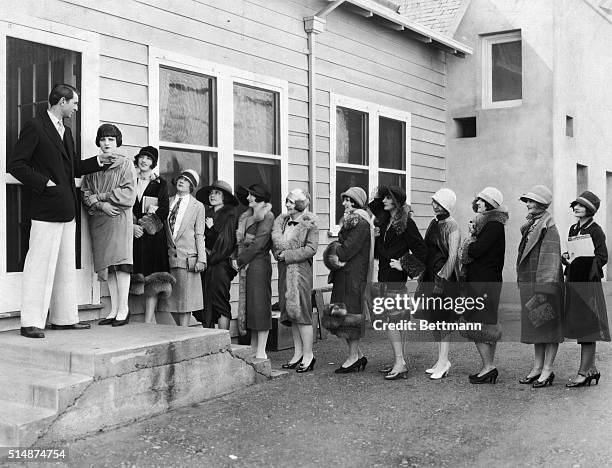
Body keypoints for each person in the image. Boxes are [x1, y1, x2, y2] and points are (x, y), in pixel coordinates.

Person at [9, 84, 115, 338]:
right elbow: (16, 165)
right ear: (62, 101)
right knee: (39, 265)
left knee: (65, 265)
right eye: (74, 103)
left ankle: (64, 319)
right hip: (46, 207)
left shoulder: (66, 131)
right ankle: (31, 322)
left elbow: (73, 168)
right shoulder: (35, 126)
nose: (76, 108)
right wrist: (45, 183)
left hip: (67, 208)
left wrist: (99, 162)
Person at [81, 124, 137, 327]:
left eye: (111, 139)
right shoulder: (92, 165)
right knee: (109, 266)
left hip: (118, 217)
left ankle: (124, 309)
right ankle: (114, 309)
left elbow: (129, 194)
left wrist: (103, 197)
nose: (107, 143)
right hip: (99, 217)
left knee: (121, 264)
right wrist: (99, 204)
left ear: (117, 142)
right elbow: (85, 191)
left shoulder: (125, 164)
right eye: (103, 139)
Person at [369, 186, 427, 380]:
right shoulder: (385, 221)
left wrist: (403, 264)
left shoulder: (406, 223)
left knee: (393, 320)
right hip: (384, 276)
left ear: (396, 201)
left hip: (395, 279)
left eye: (387, 197)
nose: (383, 200)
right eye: (383, 197)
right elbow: (374, 205)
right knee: (395, 320)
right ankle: (399, 360)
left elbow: (421, 250)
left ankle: (400, 362)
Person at [516, 185, 563, 388]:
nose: (527, 204)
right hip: (531, 282)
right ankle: (537, 367)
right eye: (527, 201)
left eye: (531, 201)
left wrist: (543, 289)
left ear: (542, 204)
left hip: (544, 285)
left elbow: (551, 259)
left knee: (548, 328)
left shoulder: (548, 225)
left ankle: (547, 369)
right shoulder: (533, 225)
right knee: (538, 326)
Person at [459, 186, 507, 384]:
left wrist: (469, 241)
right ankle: (488, 366)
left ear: (489, 205)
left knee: (479, 324)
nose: (477, 203)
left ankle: (488, 367)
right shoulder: (489, 225)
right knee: (486, 325)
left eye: (481, 200)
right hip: (486, 281)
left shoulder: (493, 225)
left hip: (483, 283)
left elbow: (477, 250)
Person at [562, 191, 610, 387]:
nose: (576, 208)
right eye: (575, 205)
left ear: (590, 209)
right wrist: (567, 258)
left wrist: (587, 261)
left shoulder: (596, 230)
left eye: (580, 206)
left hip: (588, 285)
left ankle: (584, 373)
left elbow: (602, 257)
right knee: (581, 325)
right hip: (574, 282)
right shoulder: (573, 228)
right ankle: (592, 370)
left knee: (588, 328)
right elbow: (573, 256)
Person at [325, 187, 374, 374]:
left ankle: (353, 357)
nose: (344, 203)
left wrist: (334, 248)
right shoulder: (351, 222)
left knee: (350, 317)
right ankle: (358, 355)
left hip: (352, 278)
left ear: (356, 203)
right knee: (342, 318)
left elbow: (345, 251)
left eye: (348, 200)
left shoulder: (360, 223)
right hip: (344, 276)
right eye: (344, 199)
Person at [271, 188, 319, 373]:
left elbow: (311, 249)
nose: (287, 204)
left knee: (302, 313)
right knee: (292, 313)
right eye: (287, 201)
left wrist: (288, 255)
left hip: (300, 272)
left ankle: (309, 355)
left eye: (291, 202)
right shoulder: (282, 223)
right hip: (284, 271)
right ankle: (298, 353)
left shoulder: (310, 224)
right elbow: (276, 245)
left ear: (300, 204)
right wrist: (278, 254)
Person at [130, 146, 175, 324]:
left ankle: (148, 320)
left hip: (153, 235)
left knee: (152, 278)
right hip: (134, 233)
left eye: (148, 159)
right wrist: (133, 226)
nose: (144, 161)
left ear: (153, 163)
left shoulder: (160, 183)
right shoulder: (130, 179)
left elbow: (164, 209)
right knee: (134, 274)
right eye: (142, 157)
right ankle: (128, 316)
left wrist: (147, 224)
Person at [420, 188, 461, 380]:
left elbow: (452, 257)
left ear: (447, 205)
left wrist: (441, 280)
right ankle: (440, 360)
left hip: (443, 280)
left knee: (443, 321)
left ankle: (444, 362)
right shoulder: (433, 223)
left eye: (439, 203)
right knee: (434, 321)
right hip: (430, 276)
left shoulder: (452, 226)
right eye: (434, 201)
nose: (434, 205)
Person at [157, 170, 207, 326]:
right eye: (180, 178)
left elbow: (199, 234)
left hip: (187, 258)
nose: (182, 182)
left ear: (191, 186)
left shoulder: (197, 206)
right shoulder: (168, 201)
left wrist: (202, 259)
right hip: (167, 257)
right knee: (168, 300)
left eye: (186, 180)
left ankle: (184, 330)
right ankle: (181, 329)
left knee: (185, 301)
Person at [235, 183, 275, 360]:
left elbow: (259, 244)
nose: (248, 198)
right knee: (250, 306)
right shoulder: (248, 216)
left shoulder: (267, 215)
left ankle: (262, 350)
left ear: (260, 198)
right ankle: (253, 346)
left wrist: (240, 260)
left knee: (260, 305)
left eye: (252, 195)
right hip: (248, 265)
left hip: (258, 265)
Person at [195, 180, 239, 330]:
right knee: (205, 303)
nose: (213, 195)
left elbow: (226, 242)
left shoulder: (230, 215)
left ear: (224, 197)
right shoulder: (205, 213)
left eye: (217, 193)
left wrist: (212, 229)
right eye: (211, 192)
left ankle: (223, 341)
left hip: (221, 265)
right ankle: (209, 341)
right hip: (206, 264)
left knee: (220, 302)